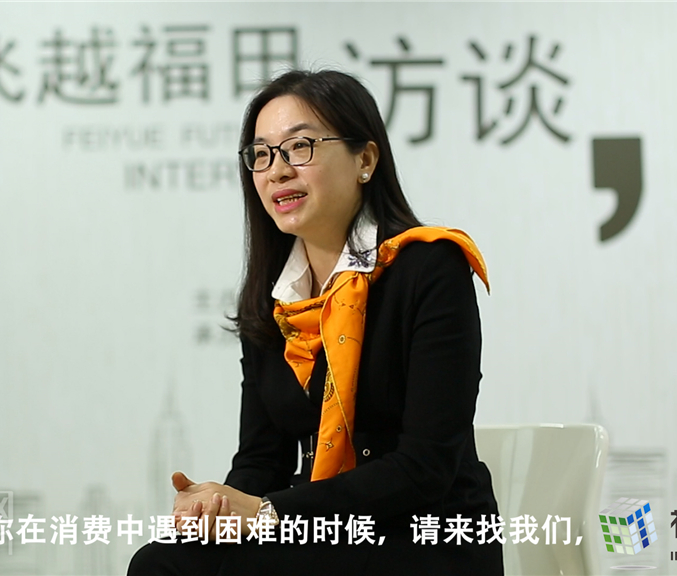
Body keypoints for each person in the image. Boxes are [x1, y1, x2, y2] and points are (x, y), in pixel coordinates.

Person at [128, 69, 503, 575]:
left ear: (365, 160)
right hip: (321, 530)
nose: (277, 171)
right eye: (262, 154)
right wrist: (219, 506)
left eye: (299, 147)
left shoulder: (430, 268)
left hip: (428, 534)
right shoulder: (274, 298)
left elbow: (426, 467)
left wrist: (268, 512)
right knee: (163, 562)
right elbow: (262, 459)